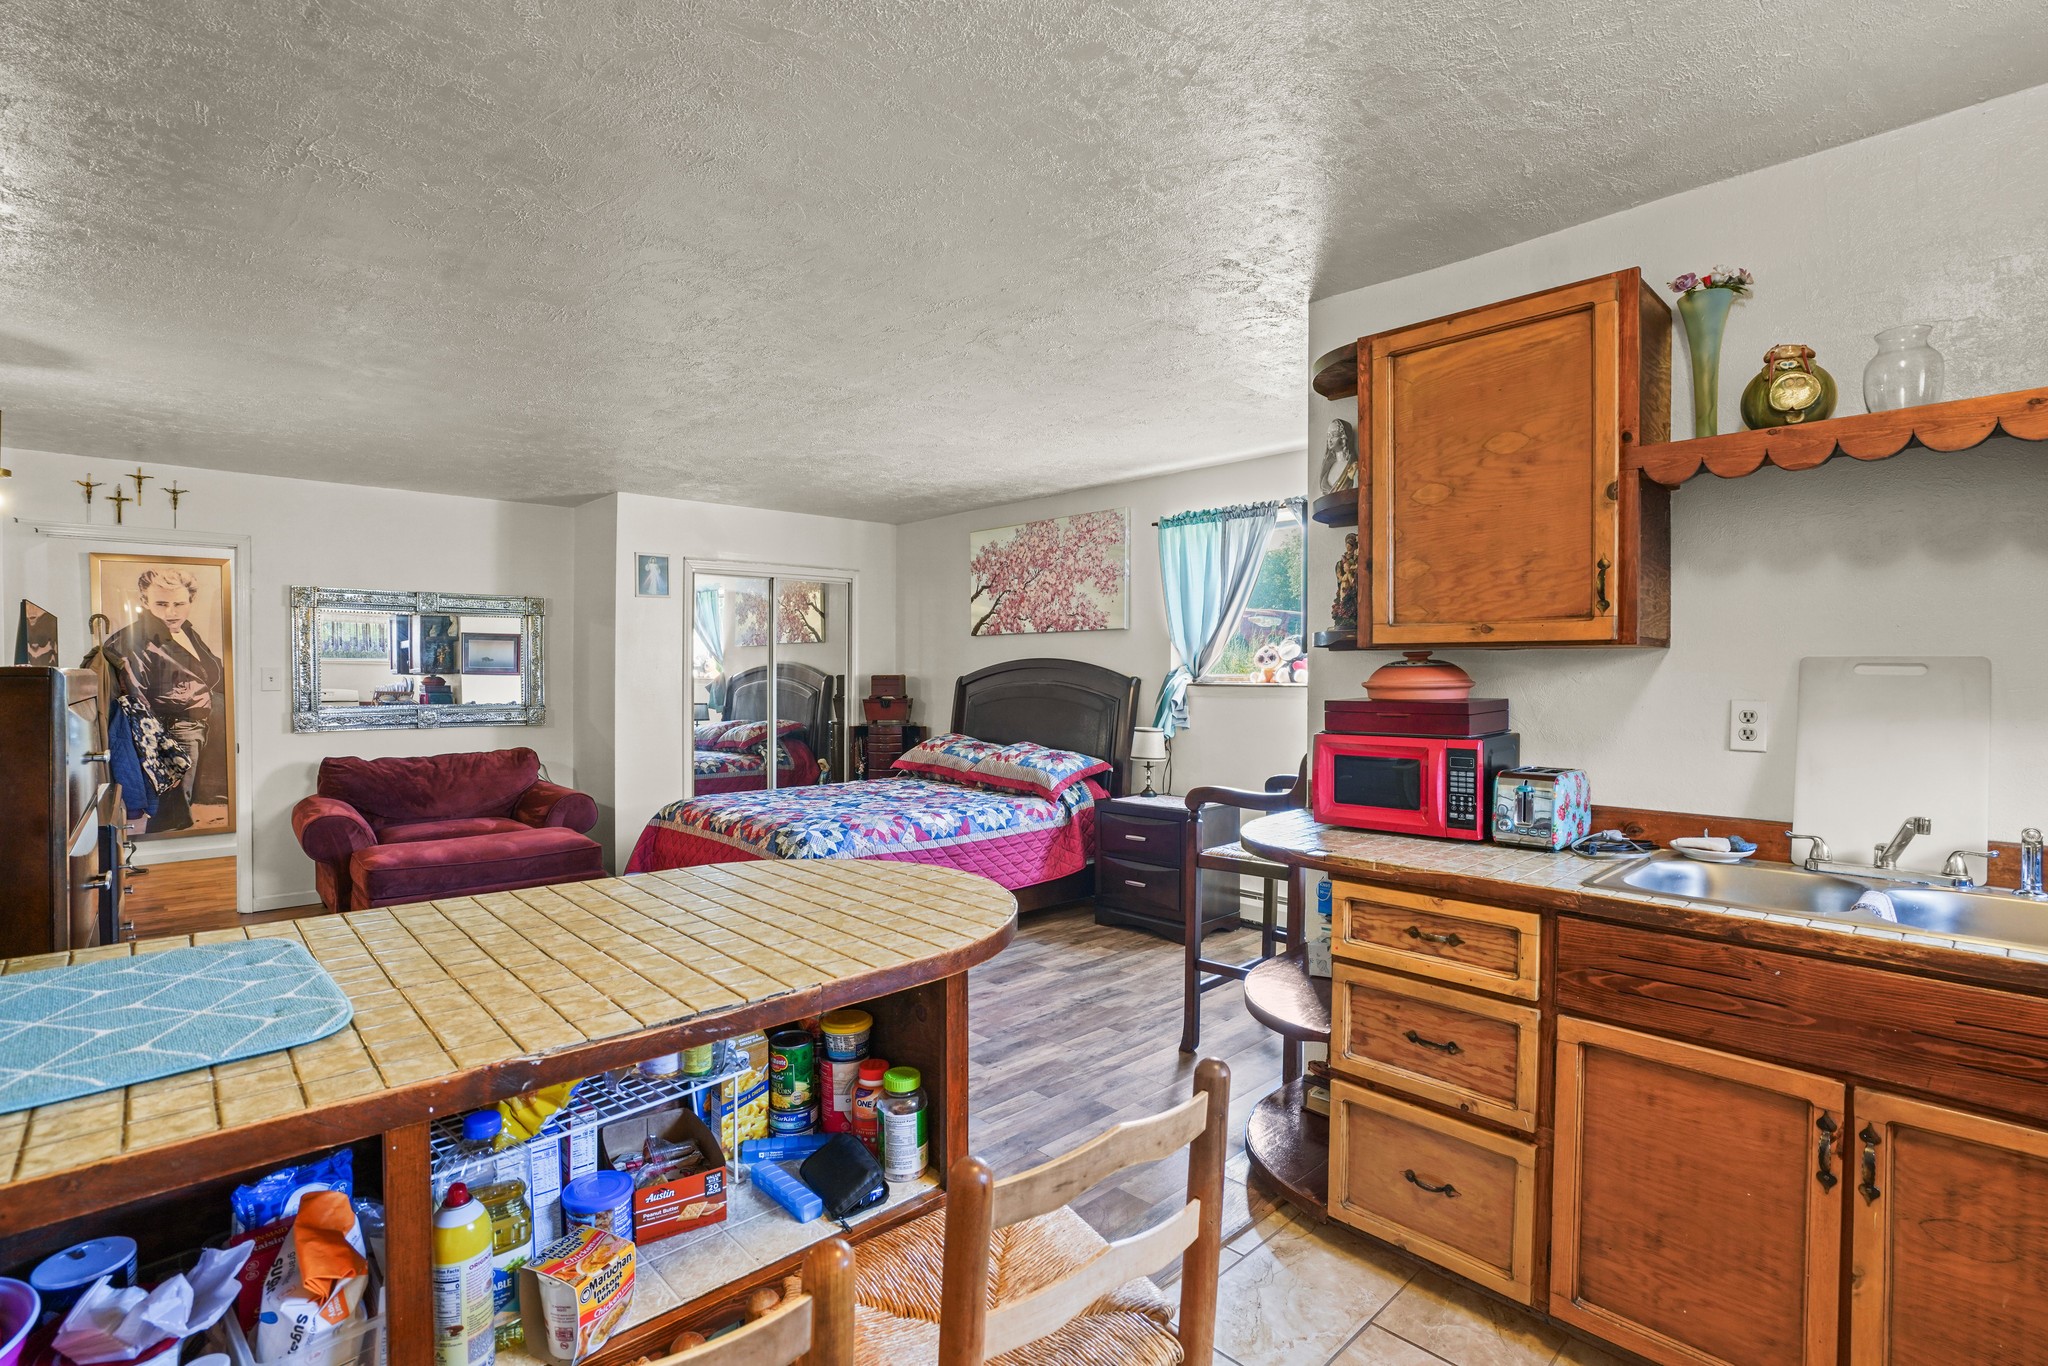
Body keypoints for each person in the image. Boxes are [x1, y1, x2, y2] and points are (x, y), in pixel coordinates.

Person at [103, 567, 226, 833]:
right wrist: (162, 744)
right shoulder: (133, 641)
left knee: (181, 805)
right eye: (161, 604)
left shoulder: (185, 631)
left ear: (190, 601)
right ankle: (170, 853)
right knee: (171, 813)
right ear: (144, 601)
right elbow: (136, 703)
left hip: (194, 726)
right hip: (171, 731)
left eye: (179, 604)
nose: (171, 612)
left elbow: (210, 673)